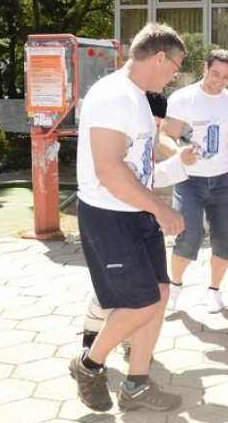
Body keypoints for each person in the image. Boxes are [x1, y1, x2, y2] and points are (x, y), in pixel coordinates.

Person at [71, 22, 186, 413]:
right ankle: (89, 365)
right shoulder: (113, 95)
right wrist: (161, 207)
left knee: (160, 293)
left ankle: (136, 383)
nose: (173, 76)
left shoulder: (137, 95)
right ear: (159, 57)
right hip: (109, 215)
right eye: (174, 68)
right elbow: (109, 168)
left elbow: (137, 161)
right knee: (138, 304)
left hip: (135, 211)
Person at [159, 49, 228, 314]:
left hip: (220, 180)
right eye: (215, 74)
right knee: (190, 234)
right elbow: (165, 135)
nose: (220, 81)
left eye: (226, 76)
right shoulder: (183, 98)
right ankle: (174, 286)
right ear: (204, 67)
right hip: (189, 180)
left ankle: (214, 291)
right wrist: (178, 152)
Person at [80, 92, 195, 355]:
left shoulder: (142, 140)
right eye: (152, 124)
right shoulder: (118, 137)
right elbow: (119, 177)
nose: (153, 130)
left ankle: (132, 343)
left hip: (141, 220)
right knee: (115, 285)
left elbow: (147, 178)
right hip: (111, 220)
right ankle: (92, 339)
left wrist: (179, 162)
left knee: (145, 287)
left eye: (156, 125)